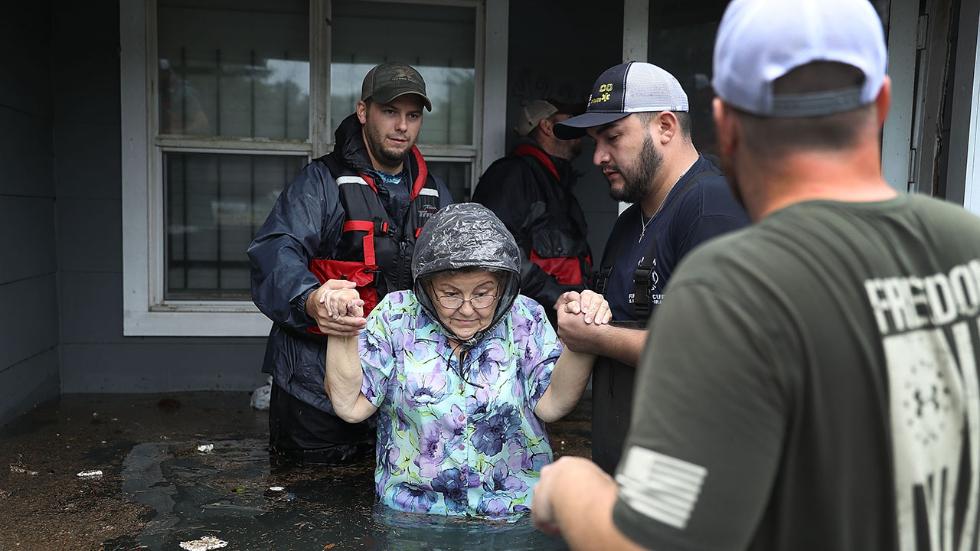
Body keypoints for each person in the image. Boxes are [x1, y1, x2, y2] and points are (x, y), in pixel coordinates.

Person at [532, 0, 980, 549]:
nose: (599, 154)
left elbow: (645, 538)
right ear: (882, 101)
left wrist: (571, 487)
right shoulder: (969, 249)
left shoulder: (734, 281)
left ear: (727, 124)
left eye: (611, 137)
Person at [322, 203, 608, 518]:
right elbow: (351, 406)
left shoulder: (525, 317)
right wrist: (341, 331)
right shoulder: (396, 316)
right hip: (415, 516)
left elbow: (552, 404)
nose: (468, 309)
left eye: (483, 293)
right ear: (426, 287)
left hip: (512, 515)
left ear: (503, 286)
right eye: (450, 294)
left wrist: (583, 338)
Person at [248, 63, 454, 465]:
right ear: (363, 112)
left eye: (413, 116)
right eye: (390, 112)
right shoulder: (320, 182)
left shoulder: (435, 193)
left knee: (394, 507)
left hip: (400, 392)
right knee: (307, 510)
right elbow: (274, 251)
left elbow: (462, 271)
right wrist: (310, 300)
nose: (402, 126)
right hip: (314, 390)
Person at [551, 61, 748, 472]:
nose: (599, 157)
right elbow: (611, 318)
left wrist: (595, 338)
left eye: (613, 138)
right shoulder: (628, 222)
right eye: (594, 142)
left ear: (665, 127)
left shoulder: (711, 206)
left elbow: (711, 353)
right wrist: (581, 306)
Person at [472, 99, 591, 327]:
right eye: (570, 121)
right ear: (546, 126)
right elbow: (494, 249)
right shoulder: (512, 175)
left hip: (559, 317)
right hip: (526, 325)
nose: (580, 128)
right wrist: (554, 295)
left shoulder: (555, 180)